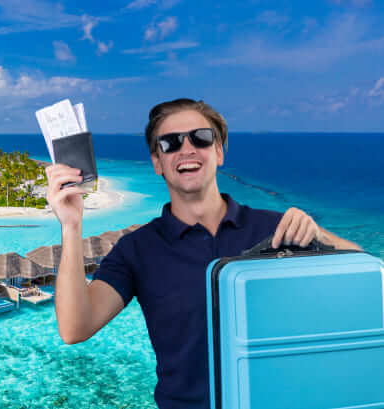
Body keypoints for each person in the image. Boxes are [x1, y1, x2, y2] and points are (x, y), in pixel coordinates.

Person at [46, 98, 361, 409]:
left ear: (219, 152)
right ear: (157, 162)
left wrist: (317, 236)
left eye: (201, 138)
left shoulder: (277, 229)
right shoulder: (137, 249)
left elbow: (369, 278)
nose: (187, 149)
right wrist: (71, 226)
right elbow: (75, 327)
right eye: (169, 143)